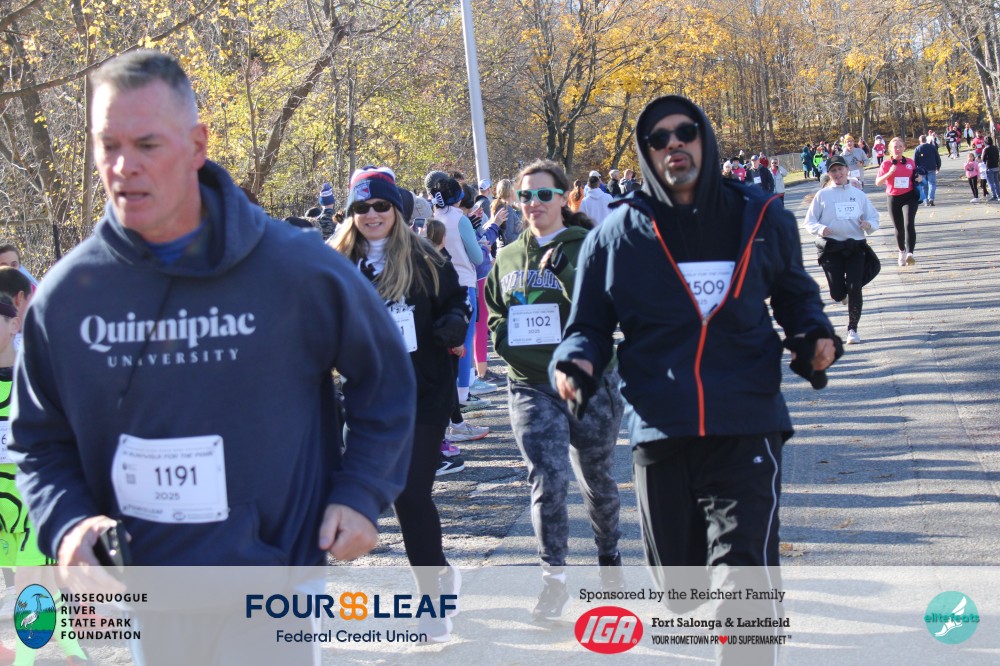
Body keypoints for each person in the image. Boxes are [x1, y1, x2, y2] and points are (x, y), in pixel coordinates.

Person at [10, 50, 415, 662]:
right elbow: (38, 439)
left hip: (274, 579)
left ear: (198, 145)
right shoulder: (68, 297)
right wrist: (67, 524)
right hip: (147, 589)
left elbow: (385, 381)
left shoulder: (296, 269)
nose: (124, 166)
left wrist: (361, 491)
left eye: (147, 144)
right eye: (108, 145)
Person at [550, 95, 839, 665]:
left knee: (744, 577)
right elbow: (587, 326)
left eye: (685, 132)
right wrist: (576, 361)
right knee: (681, 591)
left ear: (705, 137)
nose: (674, 144)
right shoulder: (616, 235)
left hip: (746, 416)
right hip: (662, 424)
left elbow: (797, 297)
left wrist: (814, 336)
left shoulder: (761, 216)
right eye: (659, 139)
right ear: (647, 153)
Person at [329, 167, 469, 642]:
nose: (372, 215)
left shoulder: (424, 257)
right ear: (351, 213)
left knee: (411, 495)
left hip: (423, 392)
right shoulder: (336, 264)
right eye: (362, 207)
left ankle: (432, 603)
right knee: (375, 494)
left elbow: (456, 301)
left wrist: (454, 323)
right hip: (368, 396)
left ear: (396, 210)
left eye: (381, 206)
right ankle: (441, 572)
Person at [485, 160, 624, 621]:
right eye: (525, 196)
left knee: (596, 477)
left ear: (564, 197)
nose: (534, 203)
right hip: (530, 384)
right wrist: (505, 339)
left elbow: (609, 308)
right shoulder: (508, 256)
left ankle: (609, 559)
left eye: (544, 194)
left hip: (587, 381)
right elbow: (495, 310)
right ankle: (554, 581)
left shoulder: (589, 246)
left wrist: (565, 275)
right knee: (547, 478)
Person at [804, 156, 880, 345]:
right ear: (829, 174)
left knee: (855, 288)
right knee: (837, 293)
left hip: (855, 247)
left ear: (847, 170)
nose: (837, 173)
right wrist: (821, 229)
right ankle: (842, 294)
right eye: (833, 171)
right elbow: (809, 222)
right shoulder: (823, 195)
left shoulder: (858, 195)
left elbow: (874, 217)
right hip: (832, 249)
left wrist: (868, 224)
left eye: (840, 169)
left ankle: (852, 329)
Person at [874, 136, 921, 267]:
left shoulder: (910, 162)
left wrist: (920, 177)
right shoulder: (886, 164)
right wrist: (889, 173)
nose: (898, 149)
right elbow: (878, 182)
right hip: (893, 198)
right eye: (895, 147)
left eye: (900, 146)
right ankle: (901, 251)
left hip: (909, 196)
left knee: (909, 223)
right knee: (899, 228)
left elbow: (916, 175)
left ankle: (910, 253)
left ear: (904, 148)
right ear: (890, 149)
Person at [913, 134, 942, 206]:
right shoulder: (932, 147)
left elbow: (915, 160)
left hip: (922, 169)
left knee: (924, 185)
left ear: (920, 141)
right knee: (932, 183)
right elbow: (937, 157)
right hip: (932, 167)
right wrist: (938, 166)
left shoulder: (918, 148)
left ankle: (926, 200)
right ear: (926, 140)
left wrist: (915, 170)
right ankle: (931, 198)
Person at [983, 137, 1000, 201]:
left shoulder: (986, 149)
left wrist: (986, 161)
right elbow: (998, 156)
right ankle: (999, 195)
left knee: (991, 183)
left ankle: (994, 195)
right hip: (996, 166)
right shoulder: (995, 148)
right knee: (997, 182)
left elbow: (983, 158)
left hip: (989, 167)